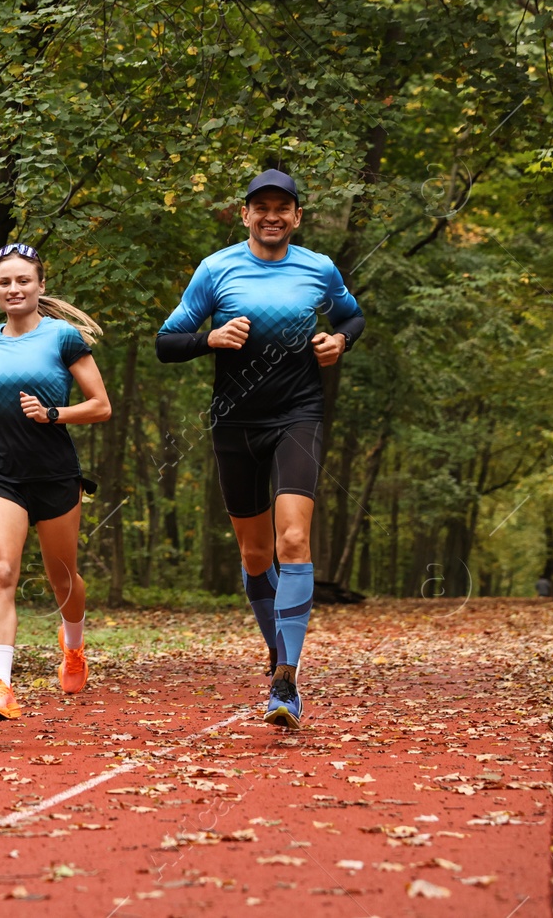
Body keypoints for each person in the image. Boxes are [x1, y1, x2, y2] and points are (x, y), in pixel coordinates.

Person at [155, 169, 365, 728]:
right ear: (245, 214)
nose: (272, 216)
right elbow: (166, 342)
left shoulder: (318, 268)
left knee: (292, 538)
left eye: (283, 208)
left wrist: (340, 338)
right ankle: (278, 660)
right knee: (254, 556)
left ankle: (287, 680)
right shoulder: (215, 269)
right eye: (260, 207)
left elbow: (351, 314)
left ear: (296, 217)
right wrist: (210, 339)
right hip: (234, 421)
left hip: (298, 413)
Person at [0, 243, 113, 723]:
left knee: (63, 577)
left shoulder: (63, 337)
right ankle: (0, 687)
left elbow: (100, 405)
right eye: (4, 282)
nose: (13, 289)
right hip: (0, 471)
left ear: (40, 285)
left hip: (55, 472)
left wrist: (53, 413)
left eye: (22, 281)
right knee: (1, 572)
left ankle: (73, 646)